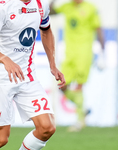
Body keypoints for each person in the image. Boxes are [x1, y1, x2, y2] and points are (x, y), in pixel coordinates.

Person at [0, 0, 66, 149]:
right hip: (1, 78)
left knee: (47, 127)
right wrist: (6, 60)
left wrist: (52, 64)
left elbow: (46, 30)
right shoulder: (3, 6)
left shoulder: (40, 5)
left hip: (27, 76)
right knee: (1, 139)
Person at [50, 0, 105, 132]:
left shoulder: (91, 8)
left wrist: (103, 51)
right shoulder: (67, 6)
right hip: (69, 54)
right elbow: (50, 12)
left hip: (84, 53)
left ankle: (80, 121)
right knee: (61, 85)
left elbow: (98, 29)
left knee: (79, 86)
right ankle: (83, 109)